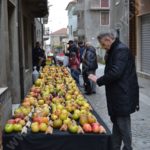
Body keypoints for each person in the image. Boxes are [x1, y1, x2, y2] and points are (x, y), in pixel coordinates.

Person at [88, 32, 139, 150]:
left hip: (122, 95)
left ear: (108, 40)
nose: (102, 47)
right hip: (118, 94)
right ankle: (115, 147)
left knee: (123, 125)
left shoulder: (120, 50)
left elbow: (116, 72)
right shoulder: (115, 50)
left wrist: (98, 80)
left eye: (102, 44)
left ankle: (128, 148)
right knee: (117, 123)